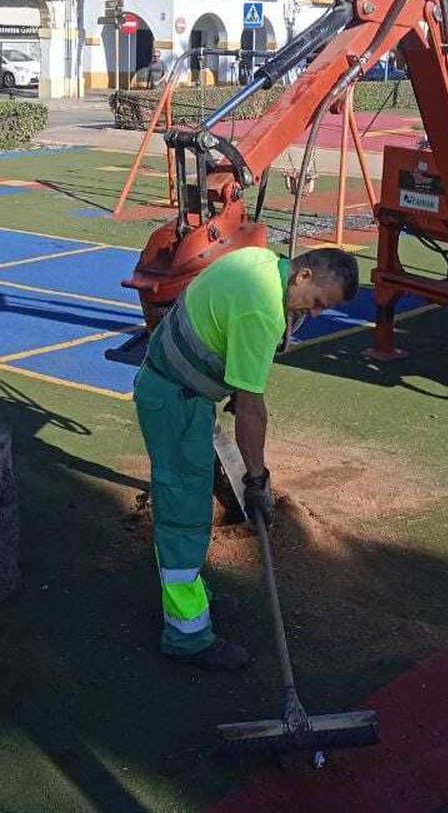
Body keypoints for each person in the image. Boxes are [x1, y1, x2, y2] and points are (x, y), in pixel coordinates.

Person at [135, 247, 359, 671]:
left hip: (177, 388)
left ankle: (192, 594)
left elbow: (221, 325)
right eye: (316, 303)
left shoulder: (259, 260)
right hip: (176, 401)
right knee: (183, 512)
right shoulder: (262, 312)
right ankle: (187, 635)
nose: (312, 315)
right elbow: (252, 410)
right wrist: (256, 480)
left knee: (189, 501)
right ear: (303, 275)